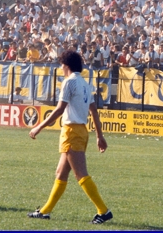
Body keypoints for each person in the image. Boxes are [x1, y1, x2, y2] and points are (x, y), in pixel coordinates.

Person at [27, 51, 112, 224]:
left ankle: (103, 211)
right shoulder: (85, 84)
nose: (60, 68)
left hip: (71, 131)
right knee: (60, 172)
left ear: (66, 65)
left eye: (61, 64)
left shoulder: (69, 82)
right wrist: (99, 136)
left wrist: (39, 127)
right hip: (81, 130)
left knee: (80, 174)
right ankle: (45, 211)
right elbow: (94, 111)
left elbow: (59, 109)